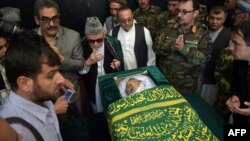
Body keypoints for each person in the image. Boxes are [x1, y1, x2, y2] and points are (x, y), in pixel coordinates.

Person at [0, 30, 75, 140]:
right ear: (24, 83)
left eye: (57, 71)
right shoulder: (12, 130)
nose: (61, 79)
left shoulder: (42, 99)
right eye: (50, 75)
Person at [34, 0, 84, 115]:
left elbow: (80, 64)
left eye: (55, 18)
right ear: (37, 20)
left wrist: (62, 60)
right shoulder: (31, 39)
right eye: (45, 19)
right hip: (44, 100)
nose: (51, 24)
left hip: (71, 96)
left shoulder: (73, 36)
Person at [154, 0, 209, 94]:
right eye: (179, 10)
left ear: (195, 13)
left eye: (184, 12)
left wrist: (184, 49)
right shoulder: (169, 27)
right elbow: (155, 48)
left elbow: (204, 60)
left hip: (185, 87)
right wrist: (171, 47)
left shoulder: (202, 33)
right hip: (164, 83)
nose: (179, 15)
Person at [80, 17, 124, 113]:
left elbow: (121, 63)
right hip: (92, 85)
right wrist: (88, 63)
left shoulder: (113, 42)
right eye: (91, 41)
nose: (96, 44)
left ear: (104, 35)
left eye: (99, 40)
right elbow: (78, 71)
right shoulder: (81, 45)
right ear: (86, 36)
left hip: (110, 82)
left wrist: (118, 64)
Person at [199, 6, 231, 106]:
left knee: (206, 106)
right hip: (196, 75)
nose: (214, 21)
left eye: (218, 19)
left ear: (224, 18)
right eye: (212, 18)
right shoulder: (201, 30)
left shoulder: (229, 36)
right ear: (208, 17)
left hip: (213, 81)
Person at [226, 21, 250, 125]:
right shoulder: (239, 59)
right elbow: (236, 81)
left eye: (236, 43)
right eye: (231, 42)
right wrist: (235, 96)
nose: (230, 48)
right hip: (239, 121)